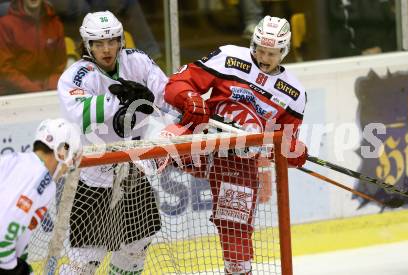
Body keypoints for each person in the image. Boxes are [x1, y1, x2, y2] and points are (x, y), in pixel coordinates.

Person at [164, 15, 308, 274]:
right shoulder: (230, 57)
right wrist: (191, 98)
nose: (264, 58)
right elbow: (177, 84)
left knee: (235, 234)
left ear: (284, 52)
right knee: (160, 139)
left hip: (238, 161)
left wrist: (293, 151)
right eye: (260, 50)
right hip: (202, 138)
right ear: (252, 44)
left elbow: (284, 141)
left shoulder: (294, 93)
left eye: (272, 54)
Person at [57, 10, 171, 274]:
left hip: (132, 173)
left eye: (112, 41)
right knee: (85, 262)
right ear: (87, 45)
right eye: (98, 43)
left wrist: (182, 105)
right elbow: (81, 114)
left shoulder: (138, 62)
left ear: (121, 40)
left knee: (138, 246)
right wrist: (121, 99)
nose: (107, 49)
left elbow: (165, 97)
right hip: (93, 180)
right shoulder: (77, 75)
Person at [0, 118, 82, 274]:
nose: (68, 166)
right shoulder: (40, 179)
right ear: (61, 151)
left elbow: (17, 236)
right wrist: (15, 269)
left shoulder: (17, 161)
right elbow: (3, 238)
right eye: (71, 156)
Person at [0, 0, 66, 95]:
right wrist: (34, 90)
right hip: (13, 93)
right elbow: (5, 69)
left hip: (47, 91)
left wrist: (50, 86)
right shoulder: (5, 25)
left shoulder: (55, 24)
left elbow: (59, 65)